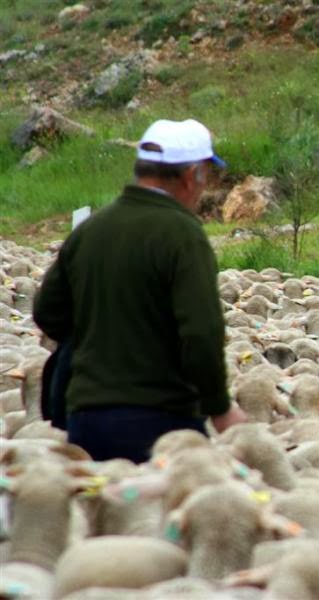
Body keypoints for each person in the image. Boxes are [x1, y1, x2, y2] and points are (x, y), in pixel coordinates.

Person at [33, 118, 247, 462]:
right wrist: (219, 409)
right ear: (193, 176)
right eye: (206, 176)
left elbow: (48, 315)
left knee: (101, 512)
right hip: (161, 420)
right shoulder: (182, 235)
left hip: (85, 420)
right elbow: (200, 333)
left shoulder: (90, 229)